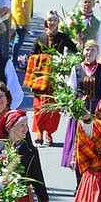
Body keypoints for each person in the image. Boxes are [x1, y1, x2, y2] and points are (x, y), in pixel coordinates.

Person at [24, 10, 77, 145]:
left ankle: (49, 132)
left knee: (53, 106)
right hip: (41, 78)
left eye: (54, 20)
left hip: (55, 77)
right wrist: (44, 60)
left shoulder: (62, 37)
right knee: (39, 105)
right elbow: (31, 55)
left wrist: (65, 61)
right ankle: (39, 131)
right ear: (46, 22)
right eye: (49, 20)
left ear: (58, 22)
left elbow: (75, 51)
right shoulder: (40, 38)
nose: (52, 22)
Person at [60, 40, 101, 179]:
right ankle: (78, 179)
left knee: (93, 143)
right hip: (80, 110)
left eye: (92, 50)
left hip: (96, 110)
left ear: (97, 53)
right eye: (87, 50)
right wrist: (72, 105)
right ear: (83, 51)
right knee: (80, 143)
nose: (89, 53)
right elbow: (71, 89)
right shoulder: (76, 68)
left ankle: (93, 176)